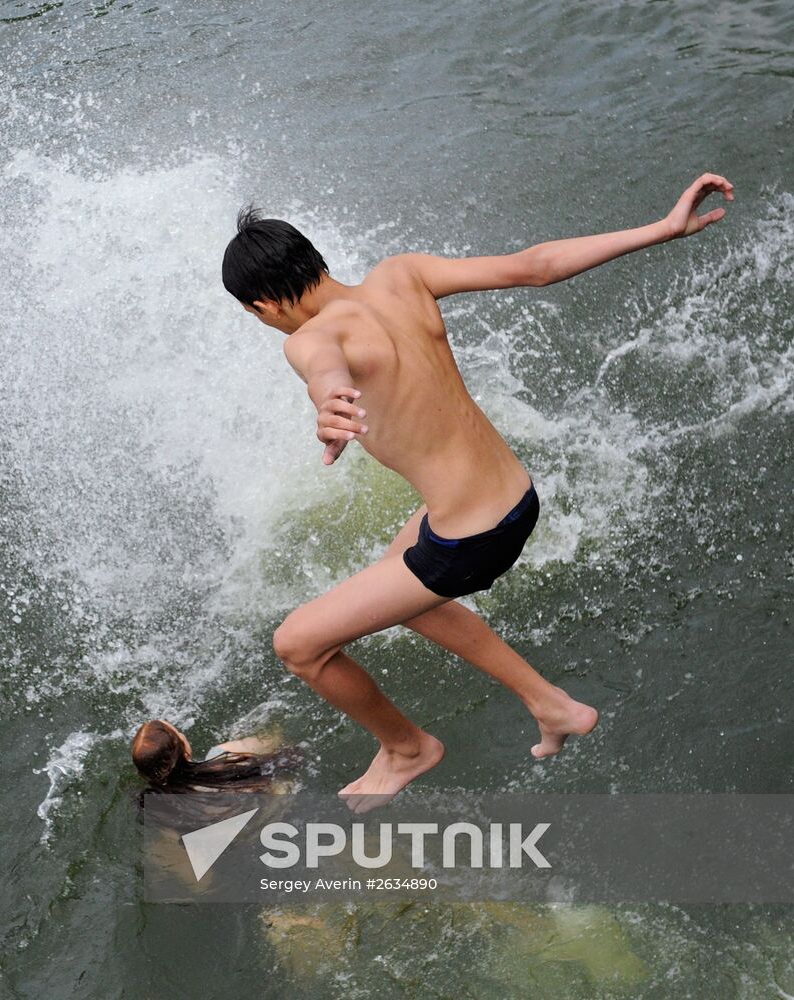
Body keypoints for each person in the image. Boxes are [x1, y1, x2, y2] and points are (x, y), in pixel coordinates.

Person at [221, 173, 735, 809]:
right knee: (395, 582)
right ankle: (553, 707)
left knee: (299, 645)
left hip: (474, 535)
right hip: (514, 495)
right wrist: (663, 228)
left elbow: (323, 363)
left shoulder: (308, 337)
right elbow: (536, 266)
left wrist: (329, 401)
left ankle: (408, 748)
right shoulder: (401, 275)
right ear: (314, 258)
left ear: (262, 307)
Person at [130, 719, 299, 793]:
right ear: (186, 751)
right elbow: (275, 741)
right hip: (281, 800)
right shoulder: (224, 755)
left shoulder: (168, 809)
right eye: (180, 734)